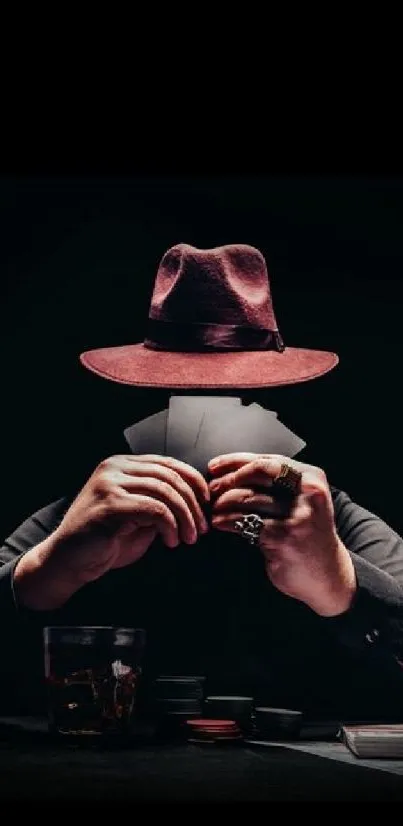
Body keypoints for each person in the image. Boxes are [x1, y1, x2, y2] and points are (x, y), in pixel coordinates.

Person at [1, 241, 403, 721]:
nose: (206, 414)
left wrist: (342, 585)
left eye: (233, 393)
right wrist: (48, 569)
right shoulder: (89, 512)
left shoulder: (328, 515)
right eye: (183, 390)